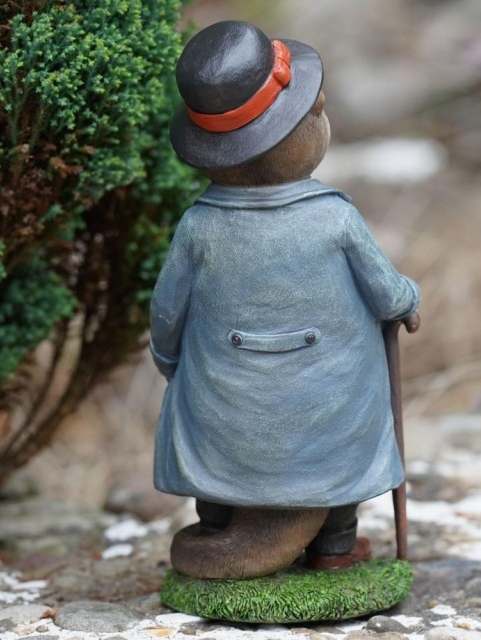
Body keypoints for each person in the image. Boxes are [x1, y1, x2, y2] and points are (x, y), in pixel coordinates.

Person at [150, 20, 420, 579]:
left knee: (207, 427)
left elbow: (167, 313)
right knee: (345, 432)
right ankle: (334, 543)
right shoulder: (336, 218)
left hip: (229, 412)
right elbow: (386, 292)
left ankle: (219, 523)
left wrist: (171, 362)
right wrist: (408, 300)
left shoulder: (198, 227)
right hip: (329, 413)